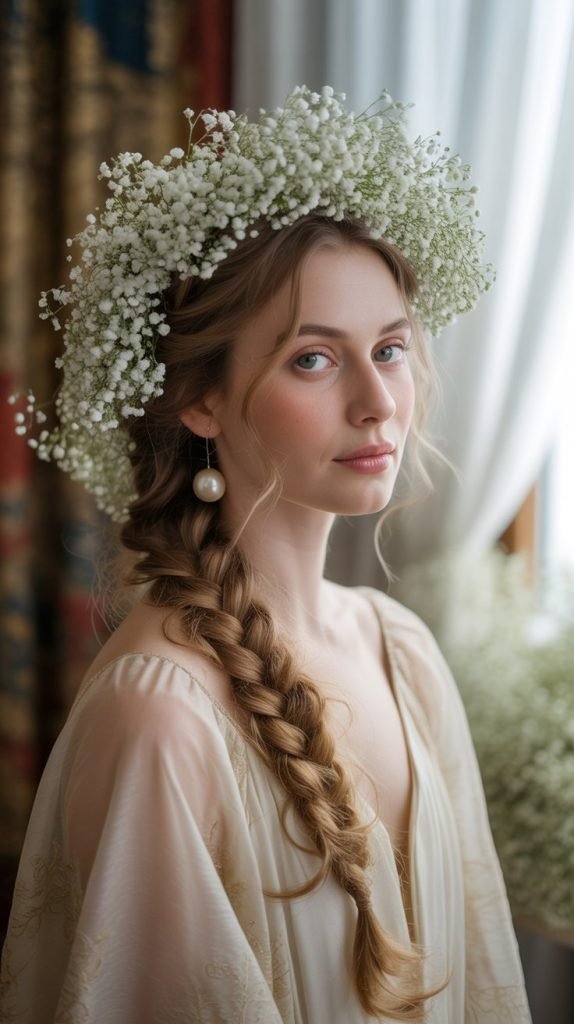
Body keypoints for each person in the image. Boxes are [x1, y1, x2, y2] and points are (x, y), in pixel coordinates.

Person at [1, 87, 531, 1023]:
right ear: (199, 401)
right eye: (314, 360)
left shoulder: (400, 651)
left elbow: (485, 978)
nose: (378, 402)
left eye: (392, 348)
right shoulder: (161, 721)